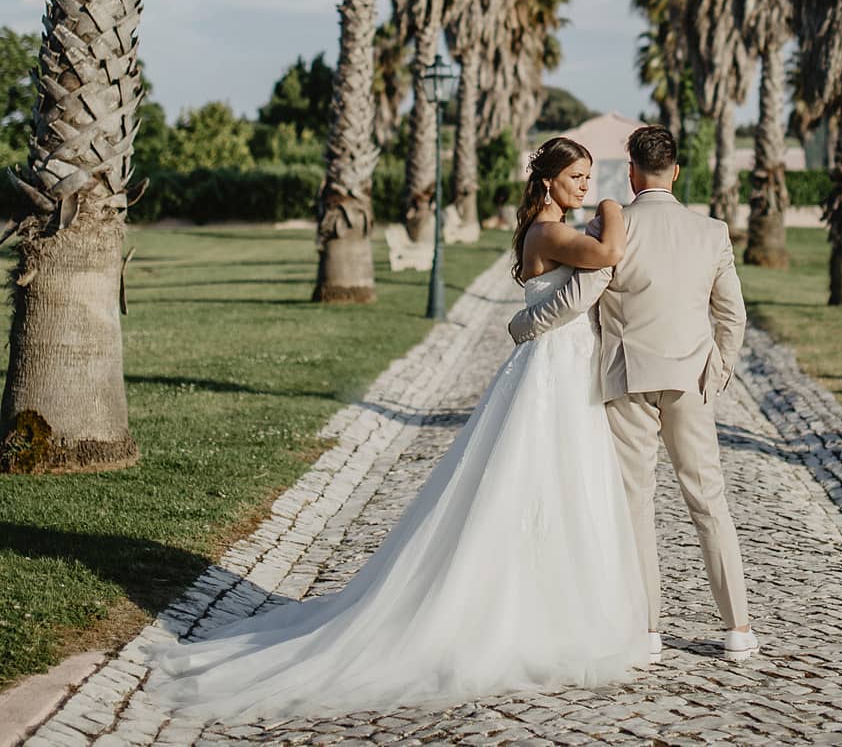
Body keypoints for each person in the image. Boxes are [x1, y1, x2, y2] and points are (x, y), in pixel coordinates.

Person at [145, 136, 649, 722]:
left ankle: (554, 604)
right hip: (551, 372)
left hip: (564, 366)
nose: (585, 186)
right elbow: (609, 252)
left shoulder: (554, 225)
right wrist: (613, 205)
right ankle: (513, 615)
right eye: (578, 177)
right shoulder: (546, 230)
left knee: (563, 485)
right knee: (532, 482)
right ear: (547, 180)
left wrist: (593, 211)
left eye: (590, 178)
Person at [509, 123, 757, 662]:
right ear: (677, 170)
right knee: (708, 500)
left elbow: (583, 293)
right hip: (692, 380)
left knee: (636, 504)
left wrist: (524, 326)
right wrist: (718, 368)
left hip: (628, 378)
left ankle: (648, 631)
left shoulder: (611, 226)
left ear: (630, 172)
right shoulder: (711, 231)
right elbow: (732, 314)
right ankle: (738, 628)